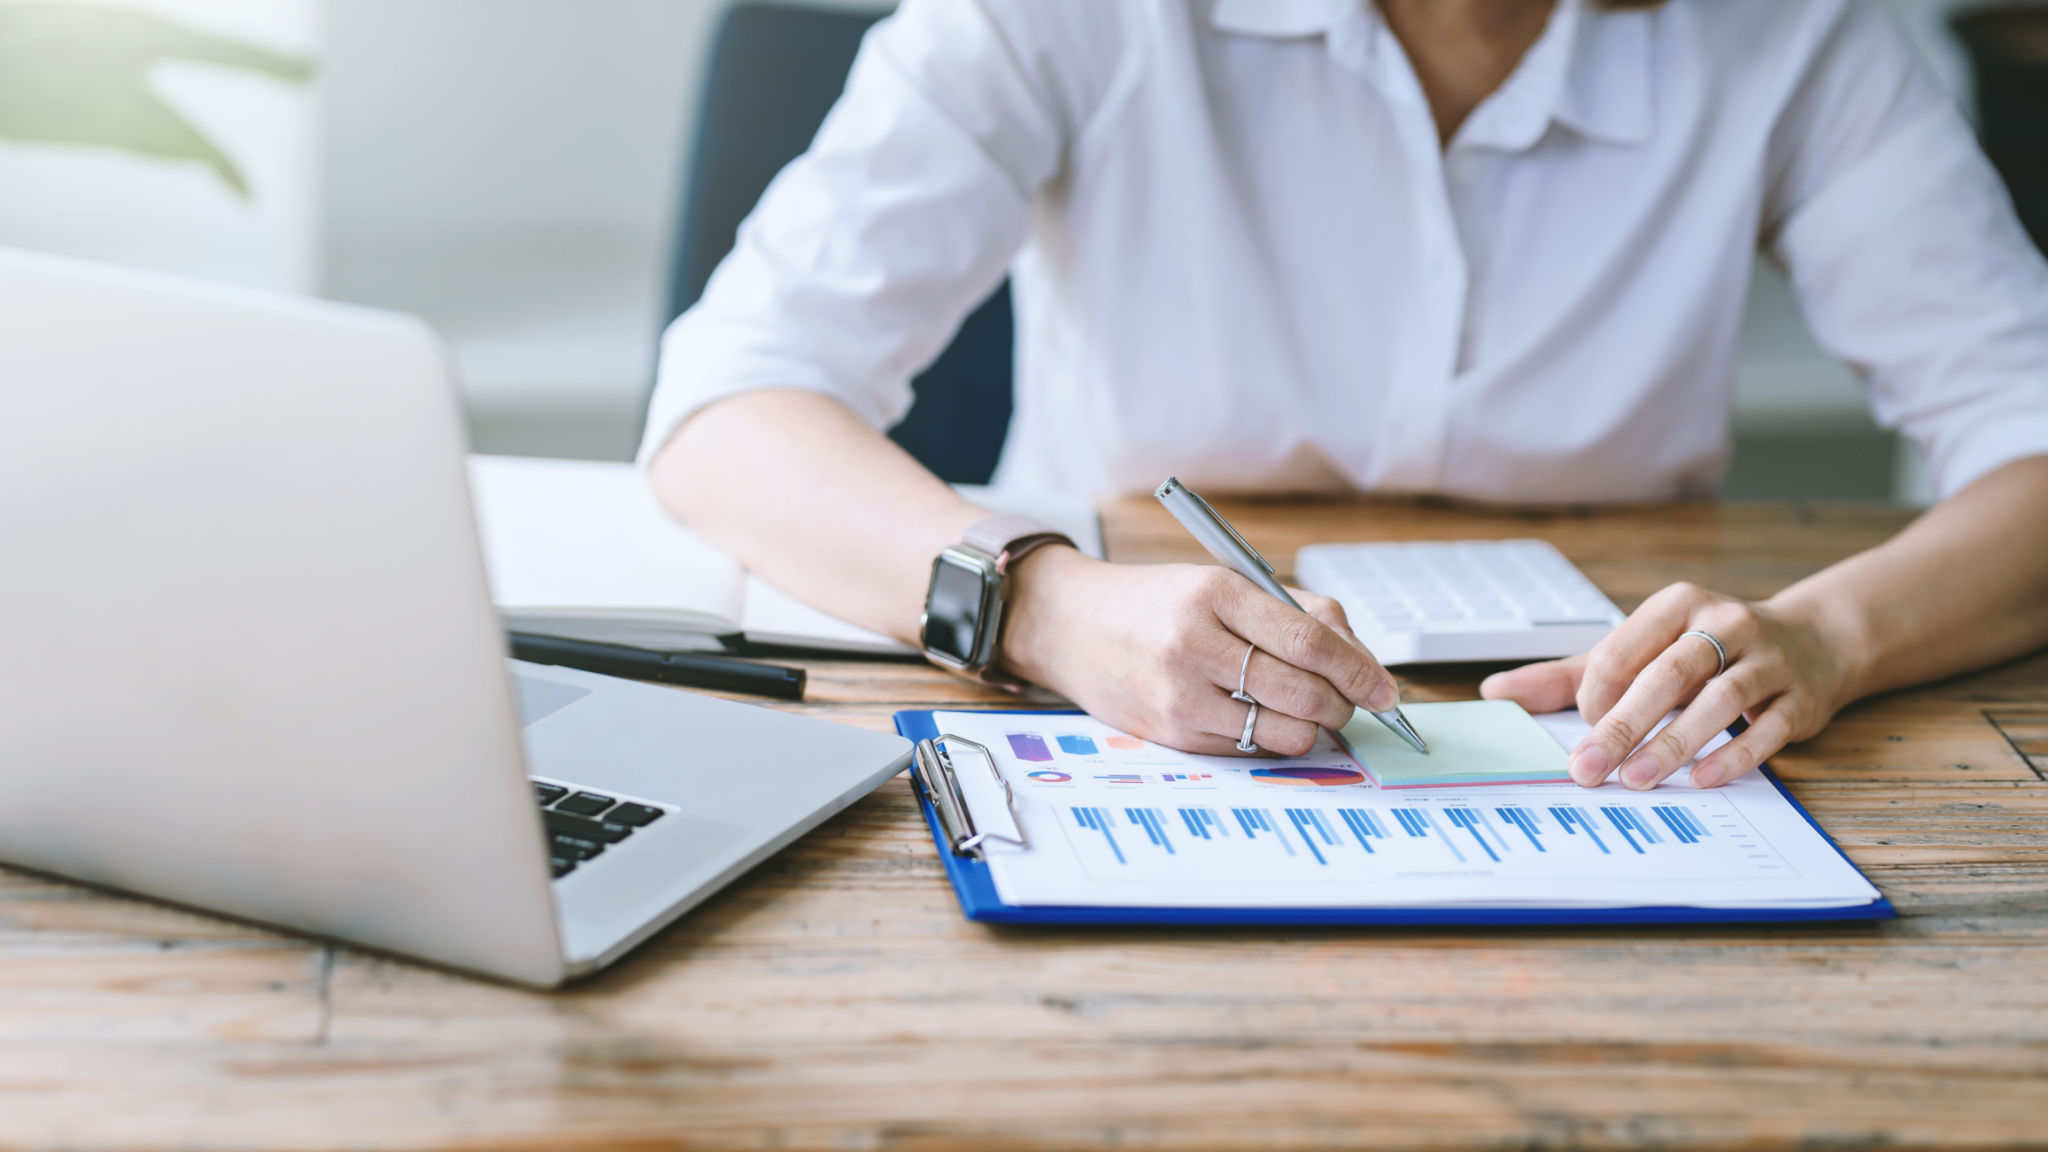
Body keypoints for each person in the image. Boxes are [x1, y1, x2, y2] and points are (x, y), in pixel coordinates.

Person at [642, 0, 2048, 791]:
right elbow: (731, 401)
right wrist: (1050, 607)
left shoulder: (1801, 37)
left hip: (1601, 755)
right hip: (1128, 732)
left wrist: (1825, 633)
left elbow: (2028, 433)